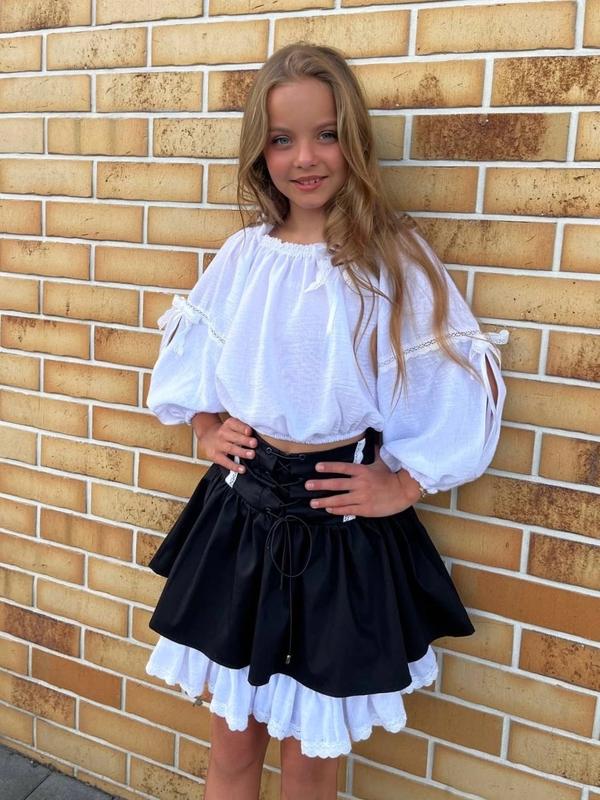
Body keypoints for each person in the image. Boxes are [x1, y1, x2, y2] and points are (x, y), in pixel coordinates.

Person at [144, 43, 509, 800]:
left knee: (310, 759)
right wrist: (205, 424)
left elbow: (447, 381)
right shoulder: (245, 255)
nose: (304, 158)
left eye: (326, 134)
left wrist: (404, 484)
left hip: (338, 534)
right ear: (261, 151)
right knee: (232, 746)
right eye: (282, 139)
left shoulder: (391, 260)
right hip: (240, 519)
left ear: (355, 141)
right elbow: (197, 351)